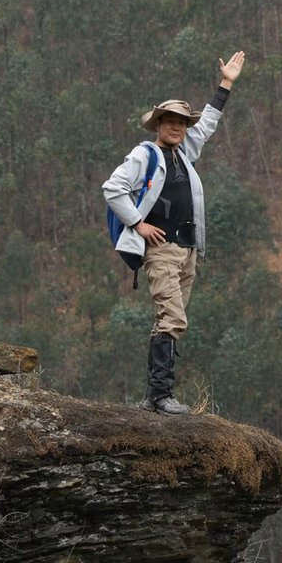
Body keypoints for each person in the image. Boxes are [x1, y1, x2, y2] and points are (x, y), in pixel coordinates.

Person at [102, 49, 245, 414]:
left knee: (169, 319)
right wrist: (138, 223)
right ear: (158, 125)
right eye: (170, 121)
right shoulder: (145, 155)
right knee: (173, 317)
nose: (177, 127)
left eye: (182, 122)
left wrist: (225, 84)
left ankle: (155, 396)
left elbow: (207, 124)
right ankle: (162, 396)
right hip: (162, 248)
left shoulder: (183, 154)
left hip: (187, 249)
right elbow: (113, 188)